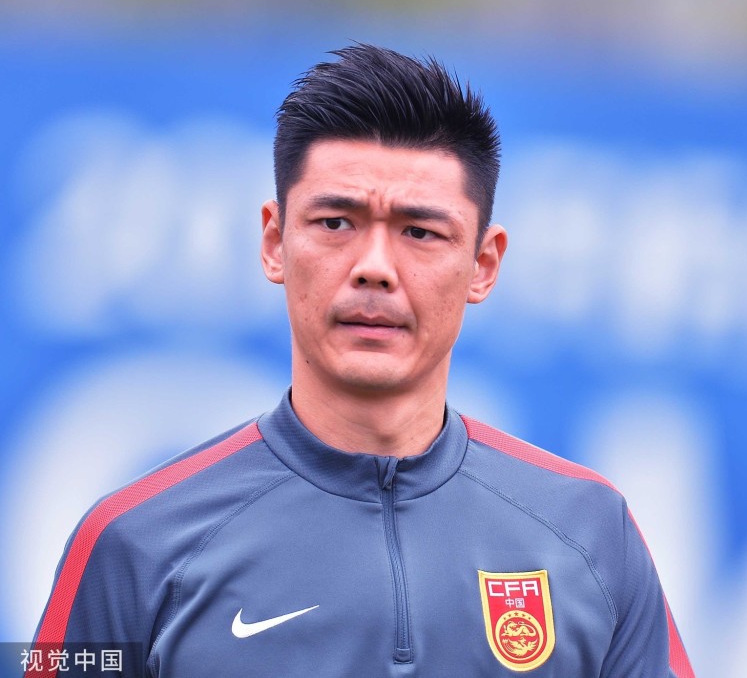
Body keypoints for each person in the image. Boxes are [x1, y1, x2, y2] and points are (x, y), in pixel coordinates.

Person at [29, 44, 696, 677]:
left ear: (483, 264)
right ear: (274, 242)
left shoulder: (591, 534)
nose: (374, 267)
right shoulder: (133, 542)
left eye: (420, 231)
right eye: (336, 223)